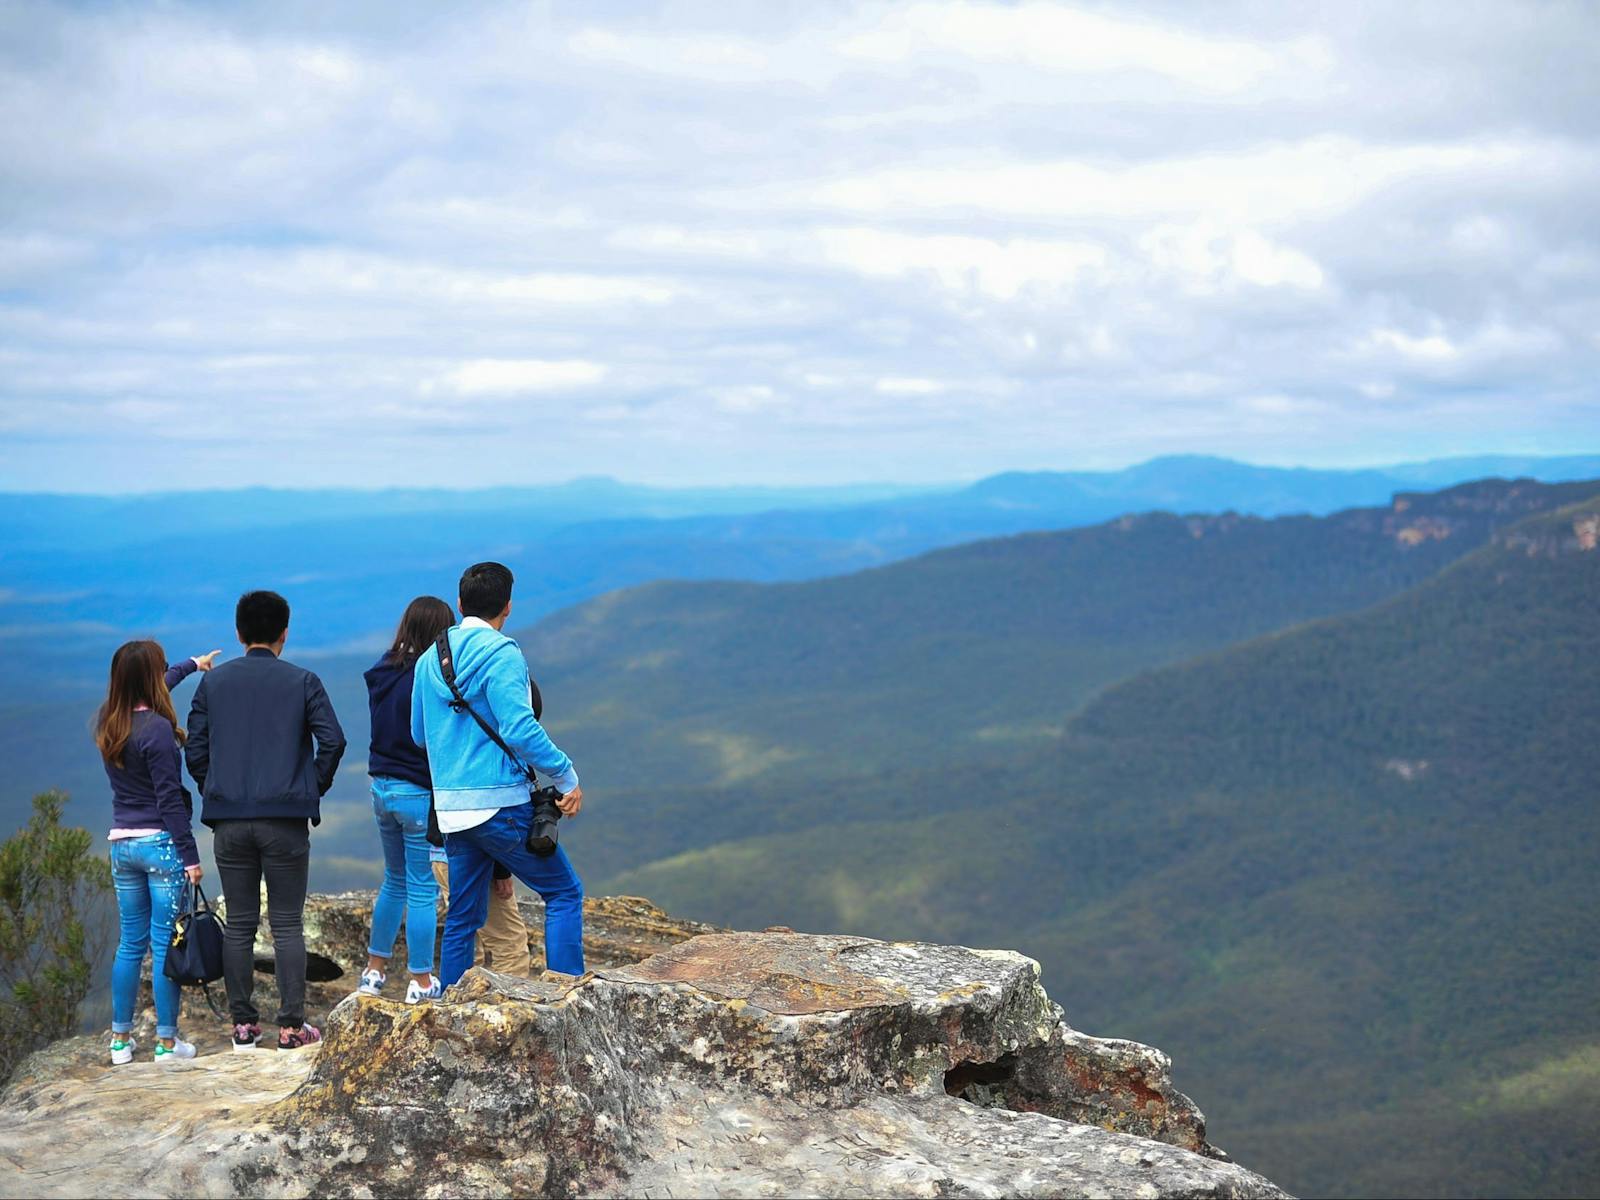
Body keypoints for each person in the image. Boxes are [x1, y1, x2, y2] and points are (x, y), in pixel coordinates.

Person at [412, 562, 585, 988]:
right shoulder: (503, 653)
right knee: (564, 893)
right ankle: (567, 998)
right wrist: (566, 776)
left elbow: (420, 734)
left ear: (459, 603)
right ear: (507, 607)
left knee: (463, 919)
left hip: (452, 811)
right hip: (501, 804)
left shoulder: (429, 659)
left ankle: (452, 1008)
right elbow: (520, 729)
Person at [185, 590, 345, 1051]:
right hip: (286, 821)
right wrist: (308, 790)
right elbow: (332, 742)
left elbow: (195, 749)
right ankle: (292, 1027)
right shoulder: (303, 681)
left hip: (229, 820)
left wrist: (214, 790)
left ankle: (243, 1028)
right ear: (284, 634)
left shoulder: (212, 685)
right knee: (287, 924)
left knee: (238, 923)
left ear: (239, 634)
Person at [96, 640, 220, 1065]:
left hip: (121, 845)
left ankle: (119, 1042)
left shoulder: (109, 722)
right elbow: (169, 801)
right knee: (166, 944)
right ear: (151, 678)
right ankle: (167, 1043)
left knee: (130, 944)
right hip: (161, 847)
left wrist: (191, 665)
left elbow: (157, 686)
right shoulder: (160, 733)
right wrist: (191, 858)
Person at [358, 595, 454, 1005]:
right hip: (417, 791)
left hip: (381, 787)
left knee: (392, 880)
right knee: (422, 888)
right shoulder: (429, 674)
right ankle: (420, 979)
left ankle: (374, 972)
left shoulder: (384, 670)